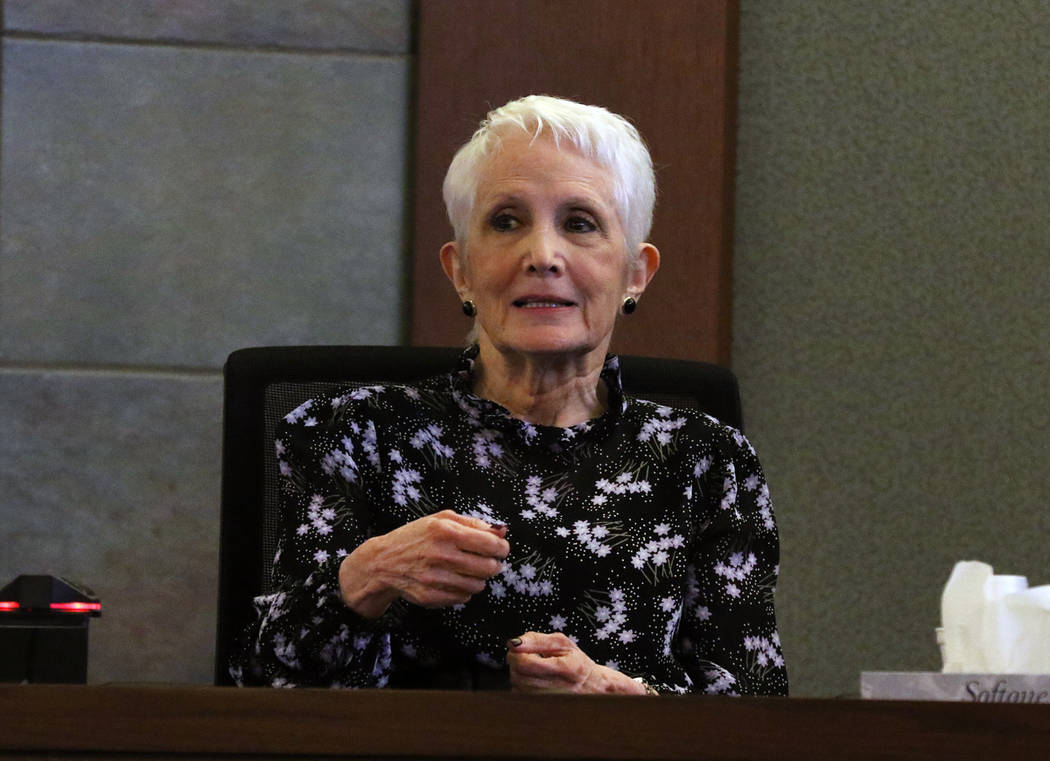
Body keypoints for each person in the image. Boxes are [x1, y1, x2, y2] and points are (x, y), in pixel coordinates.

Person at [231, 95, 787, 695]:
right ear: (461, 271)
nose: (542, 256)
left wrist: (614, 698)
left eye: (580, 223)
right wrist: (366, 577)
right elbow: (262, 692)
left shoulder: (706, 460)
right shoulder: (348, 435)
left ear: (635, 273)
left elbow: (757, 712)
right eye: (506, 222)